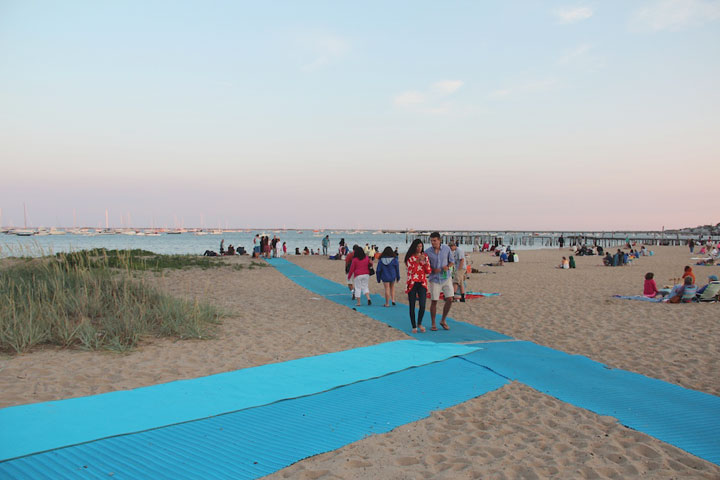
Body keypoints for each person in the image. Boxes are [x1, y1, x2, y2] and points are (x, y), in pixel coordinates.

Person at [425, 232, 454, 331]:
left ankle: (443, 320)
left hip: (446, 277)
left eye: (435, 240)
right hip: (434, 279)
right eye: (431, 241)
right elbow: (425, 266)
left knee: (450, 298)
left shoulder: (446, 249)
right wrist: (432, 270)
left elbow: (452, 261)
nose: (433, 243)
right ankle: (433, 323)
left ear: (439, 240)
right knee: (434, 301)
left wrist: (448, 266)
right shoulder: (427, 252)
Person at [405, 239, 431, 333]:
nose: (419, 248)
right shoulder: (410, 258)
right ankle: (414, 325)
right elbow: (410, 271)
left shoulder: (425, 257)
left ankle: (419, 323)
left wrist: (423, 262)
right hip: (412, 283)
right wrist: (417, 261)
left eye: (421, 246)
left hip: (422, 282)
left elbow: (428, 271)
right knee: (412, 305)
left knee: (423, 305)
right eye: (417, 246)